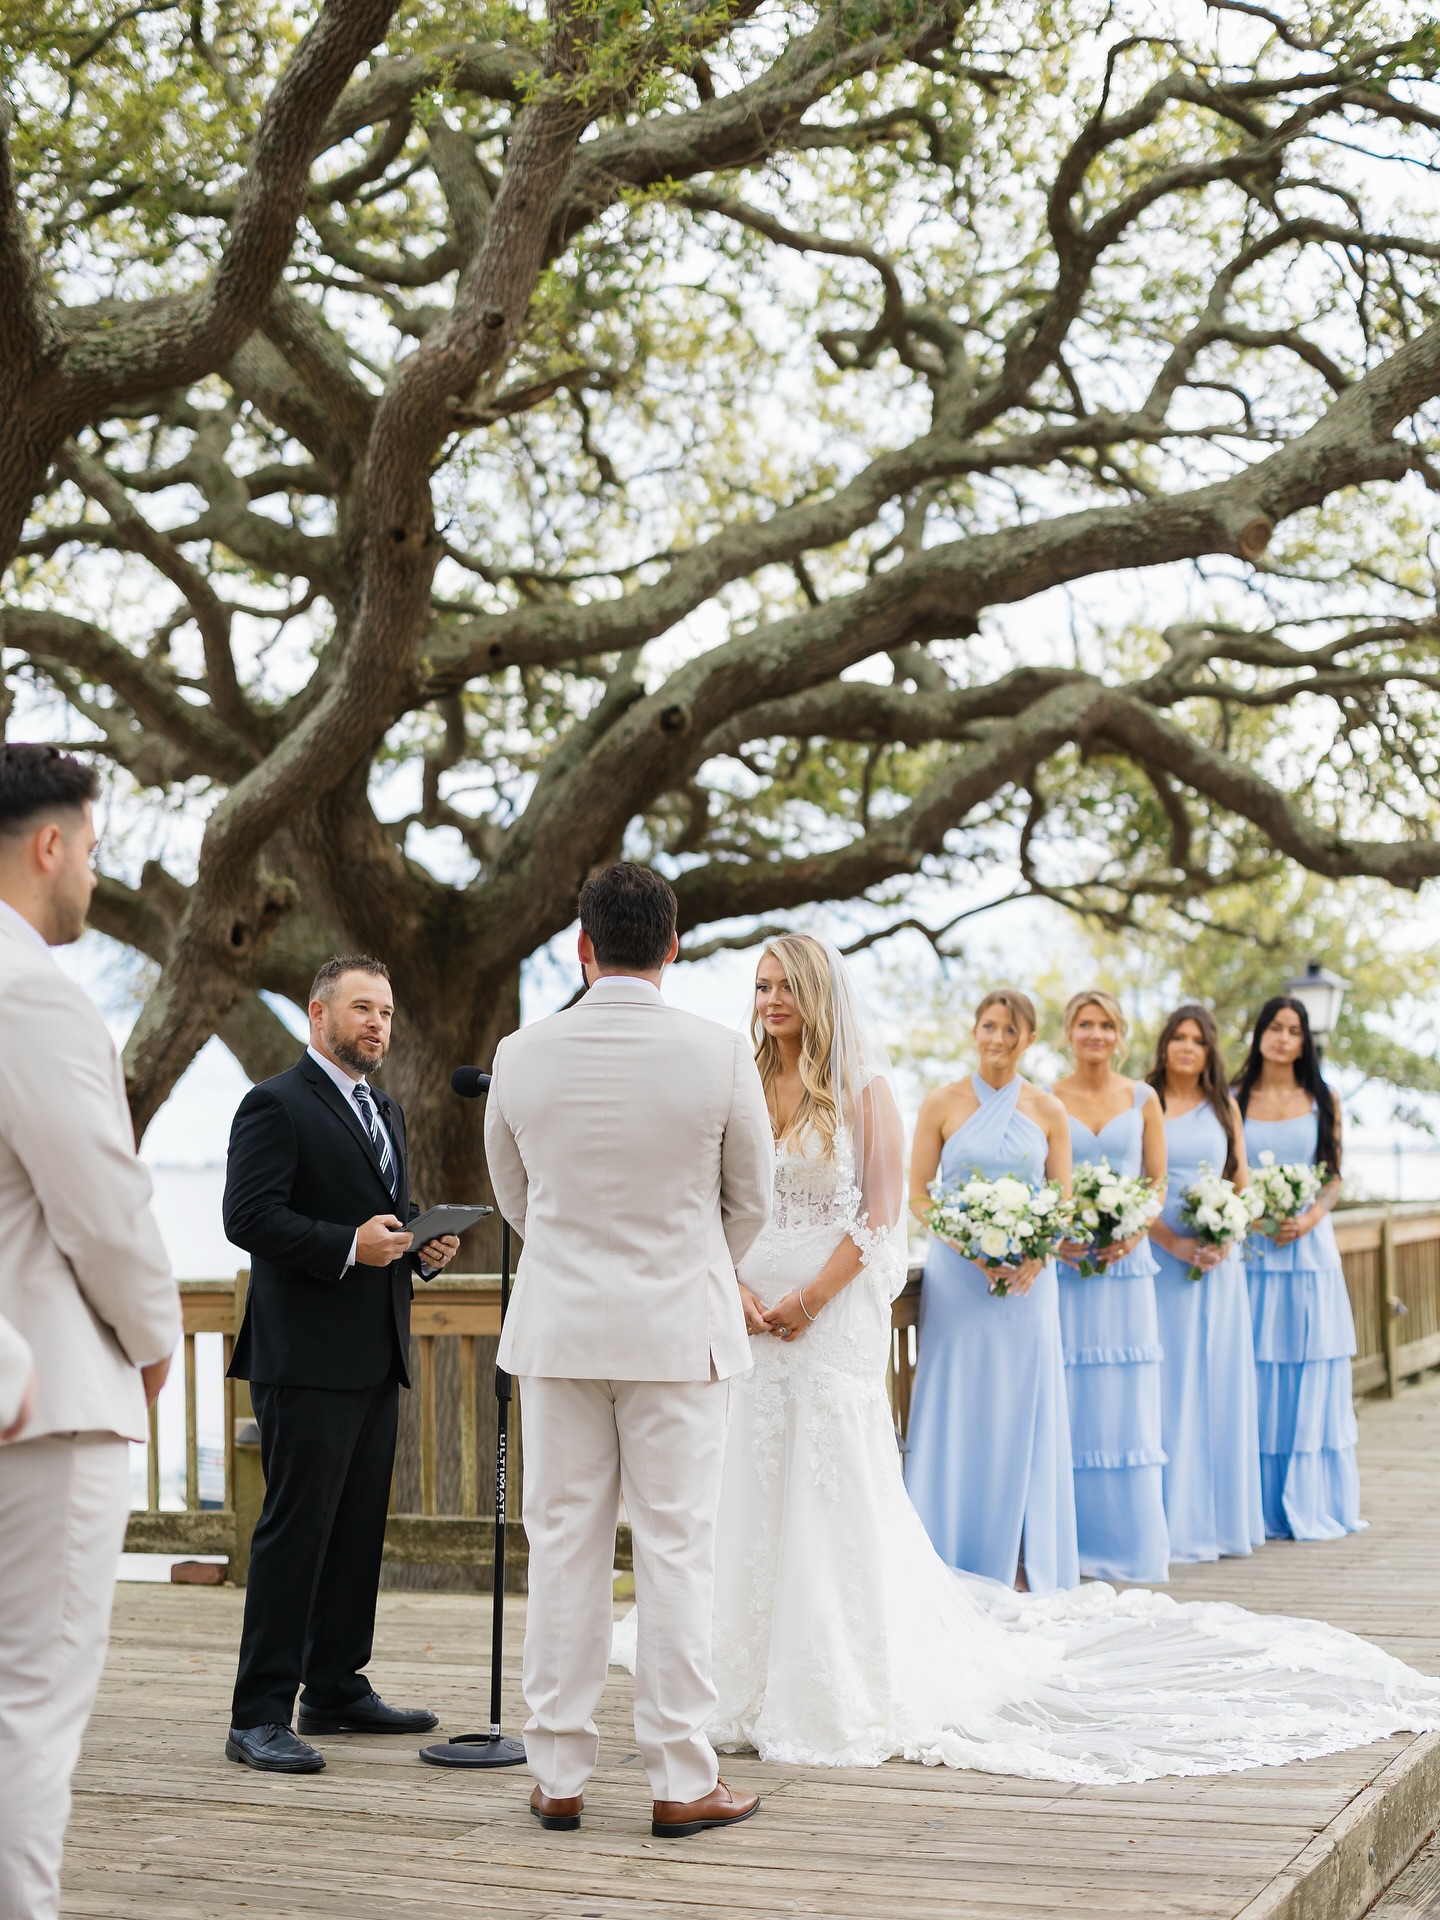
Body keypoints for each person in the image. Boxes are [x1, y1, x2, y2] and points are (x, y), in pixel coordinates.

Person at [619, 939, 1440, 1779]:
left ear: (821, 992)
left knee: (828, 1481)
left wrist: (809, 1300)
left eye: (786, 984)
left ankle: (829, 1673)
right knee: (748, 1483)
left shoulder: (866, 1090)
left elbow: (876, 1217)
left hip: (825, 1317)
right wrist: (741, 1289)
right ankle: (734, 1670)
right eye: (760, 985)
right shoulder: (742, 1082)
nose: (770, 998)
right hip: (749, 1312)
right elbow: (714, 1196)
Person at [484, 862, 774, 1838]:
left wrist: (573, 1261)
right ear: (675, 945)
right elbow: (754, 1204)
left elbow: (515, 1200)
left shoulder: (520, 1053)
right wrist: (696, 1267)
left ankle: (557, 1772)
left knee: (561, 1549)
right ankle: (679, 1777)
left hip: (559, 1332)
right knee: (676, 1554)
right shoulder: (720, 1053)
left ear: (583, 945)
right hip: (679, 1339)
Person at [0, 743, 181, 1920]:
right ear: (49, 844)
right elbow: (101, 1208)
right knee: (31, 1705)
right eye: (95, 854)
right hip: (48, 1397)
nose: (95, 884)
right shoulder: (32, 991)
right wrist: (156, 1337)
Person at [222, 956, 461, 1773]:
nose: (378, 1025)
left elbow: (384, 1222)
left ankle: (333, 1687)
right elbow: (247, 1217)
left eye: (387, 1013)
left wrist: (422, 1248)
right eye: (363, 1009)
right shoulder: (274, 1103)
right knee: (295, 1536)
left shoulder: (386, 1110)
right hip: (303, 1358)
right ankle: (257, 1714)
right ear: (317, 1014)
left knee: (357, 1534)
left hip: (374, 1352)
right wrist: (345, 1246)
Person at [904, 988, 1078, 1591]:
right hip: (958, 1280)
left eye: (1011, 1030)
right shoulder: (941, 1102)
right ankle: (944, 1548)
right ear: (973, 1031)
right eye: (988, 1026)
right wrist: (962, 1242)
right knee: (960, 1404)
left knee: (1022, 1407)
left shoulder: (1049, 1110)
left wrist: (1038, 1254)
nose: (997, 1039)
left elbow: (1062, 1200)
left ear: (1030, 1039)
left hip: (1029, 1283)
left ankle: (1024, 1558)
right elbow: (918, 1194)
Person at [1052, 991, 1171, 1584]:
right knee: (1068, 1391)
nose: (1094, 1034)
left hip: (1127, 1267)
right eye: (1084, 1024)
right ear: (1068, 1033)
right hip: (1068, 1267)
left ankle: (1129, 1541)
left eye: (1105, 1025)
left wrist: (1136, 1226)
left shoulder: (1144, 1098)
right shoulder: (1047, 1096)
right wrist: (1056, 1235)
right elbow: (1041, 1179)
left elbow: (1157, 1181)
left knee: (1123, 1398)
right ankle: (1066, 1541)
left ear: (1120, 1035)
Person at [1235, 996, 1360, 1540]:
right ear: (1260, 1034)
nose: (1284, 1038)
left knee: (1308, 1363)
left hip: (1310, 1254)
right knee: (1257, 1366)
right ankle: (1255, 1504)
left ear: (1304, 1040)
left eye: (1294, 1030)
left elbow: (1333, 1176)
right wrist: (1254, 1216)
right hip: (1252, 1251)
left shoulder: (1323, 1098)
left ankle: (1311, 1499)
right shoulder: (1235, 1098)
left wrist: (1308, 1219)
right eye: (1275, 1028)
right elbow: (1226, 1171)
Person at [1146, 1006, 1265, 1561]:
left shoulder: (1226, 1108)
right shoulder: (1143, 1098)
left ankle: (1214, 1521)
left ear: (1209, 1050)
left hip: (1217, 1264)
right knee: (1165, 1382)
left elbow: (1240, 1184)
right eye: (1178, 1037)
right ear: (1165, 1045)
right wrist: (1173, 1241)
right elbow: (1133, 1184)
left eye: (1197, 1039)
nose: (1187, 1047)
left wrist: (1227, 1231)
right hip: (1155, 1255)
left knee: (1214, 1382)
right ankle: (1161, 1517)